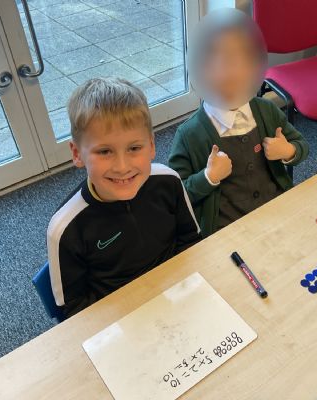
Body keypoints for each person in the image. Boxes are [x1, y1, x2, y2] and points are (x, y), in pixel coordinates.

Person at [47, 78, 201, 318]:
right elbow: (73, 309)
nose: (122, 167)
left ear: (151, 146)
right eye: (105, 151)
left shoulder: (169, 182)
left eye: (134, 148)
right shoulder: (65, 228)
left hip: (179, 294)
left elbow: (191, 241)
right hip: (117, 320)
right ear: (77, 154)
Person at [169, 8, 309, 237]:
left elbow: (301, 145)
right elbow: (176, 195)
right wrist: (208, 176)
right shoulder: (189, 135)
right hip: (227, 230)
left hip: (276, 210)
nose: (231, 73)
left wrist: (288, 151)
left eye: (240, 63)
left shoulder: (266, 111)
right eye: (218, 65)